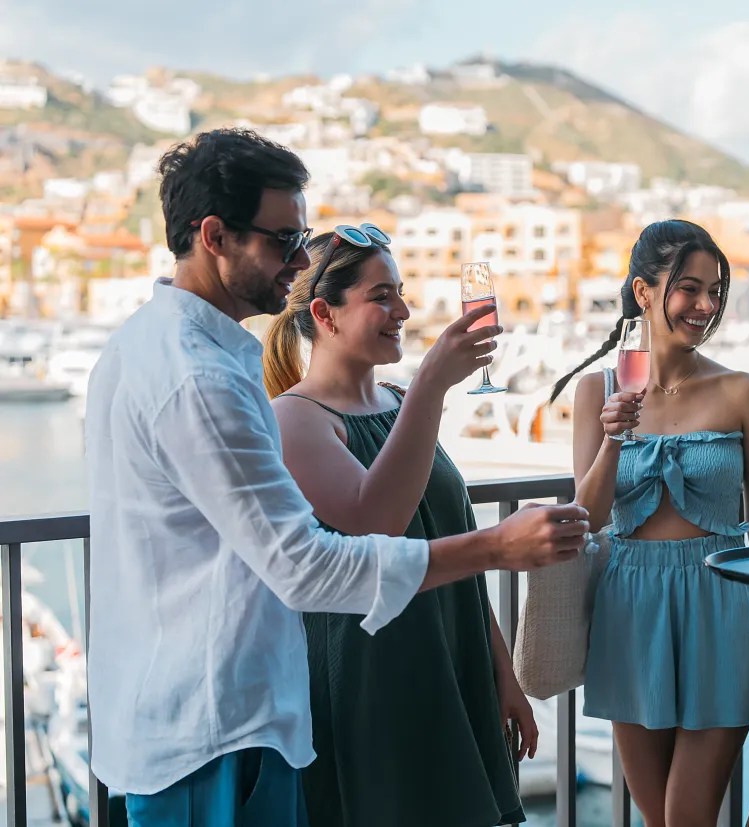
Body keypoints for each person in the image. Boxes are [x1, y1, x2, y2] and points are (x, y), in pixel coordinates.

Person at [85, 128, 588, 827]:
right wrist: (498, 548)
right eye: (283, 240)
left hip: (191, 720)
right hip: (221, 732)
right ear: (214, 235)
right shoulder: (200, 378)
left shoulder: (146, 347)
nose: (298, 261)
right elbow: (306, 567)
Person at [262, 227, 535, 827]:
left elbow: (448, 539)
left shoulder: (396, 399)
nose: (403, 311)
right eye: (381, 296)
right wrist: (434, 383)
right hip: (375, 684)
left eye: (401, 292)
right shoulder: (294, 418)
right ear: (323, 315)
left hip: (451, 660)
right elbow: (374, 519)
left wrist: (501, 673)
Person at [549, 220, 749, 827]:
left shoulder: (742, 391)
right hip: (630, 607)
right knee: (658, 819)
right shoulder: (595, 391)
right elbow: (587, 520)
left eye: (715, 291)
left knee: (688, 816)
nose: (705, 305)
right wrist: (613, 440)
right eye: (689, 288)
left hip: (725, 603)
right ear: (643, 291)